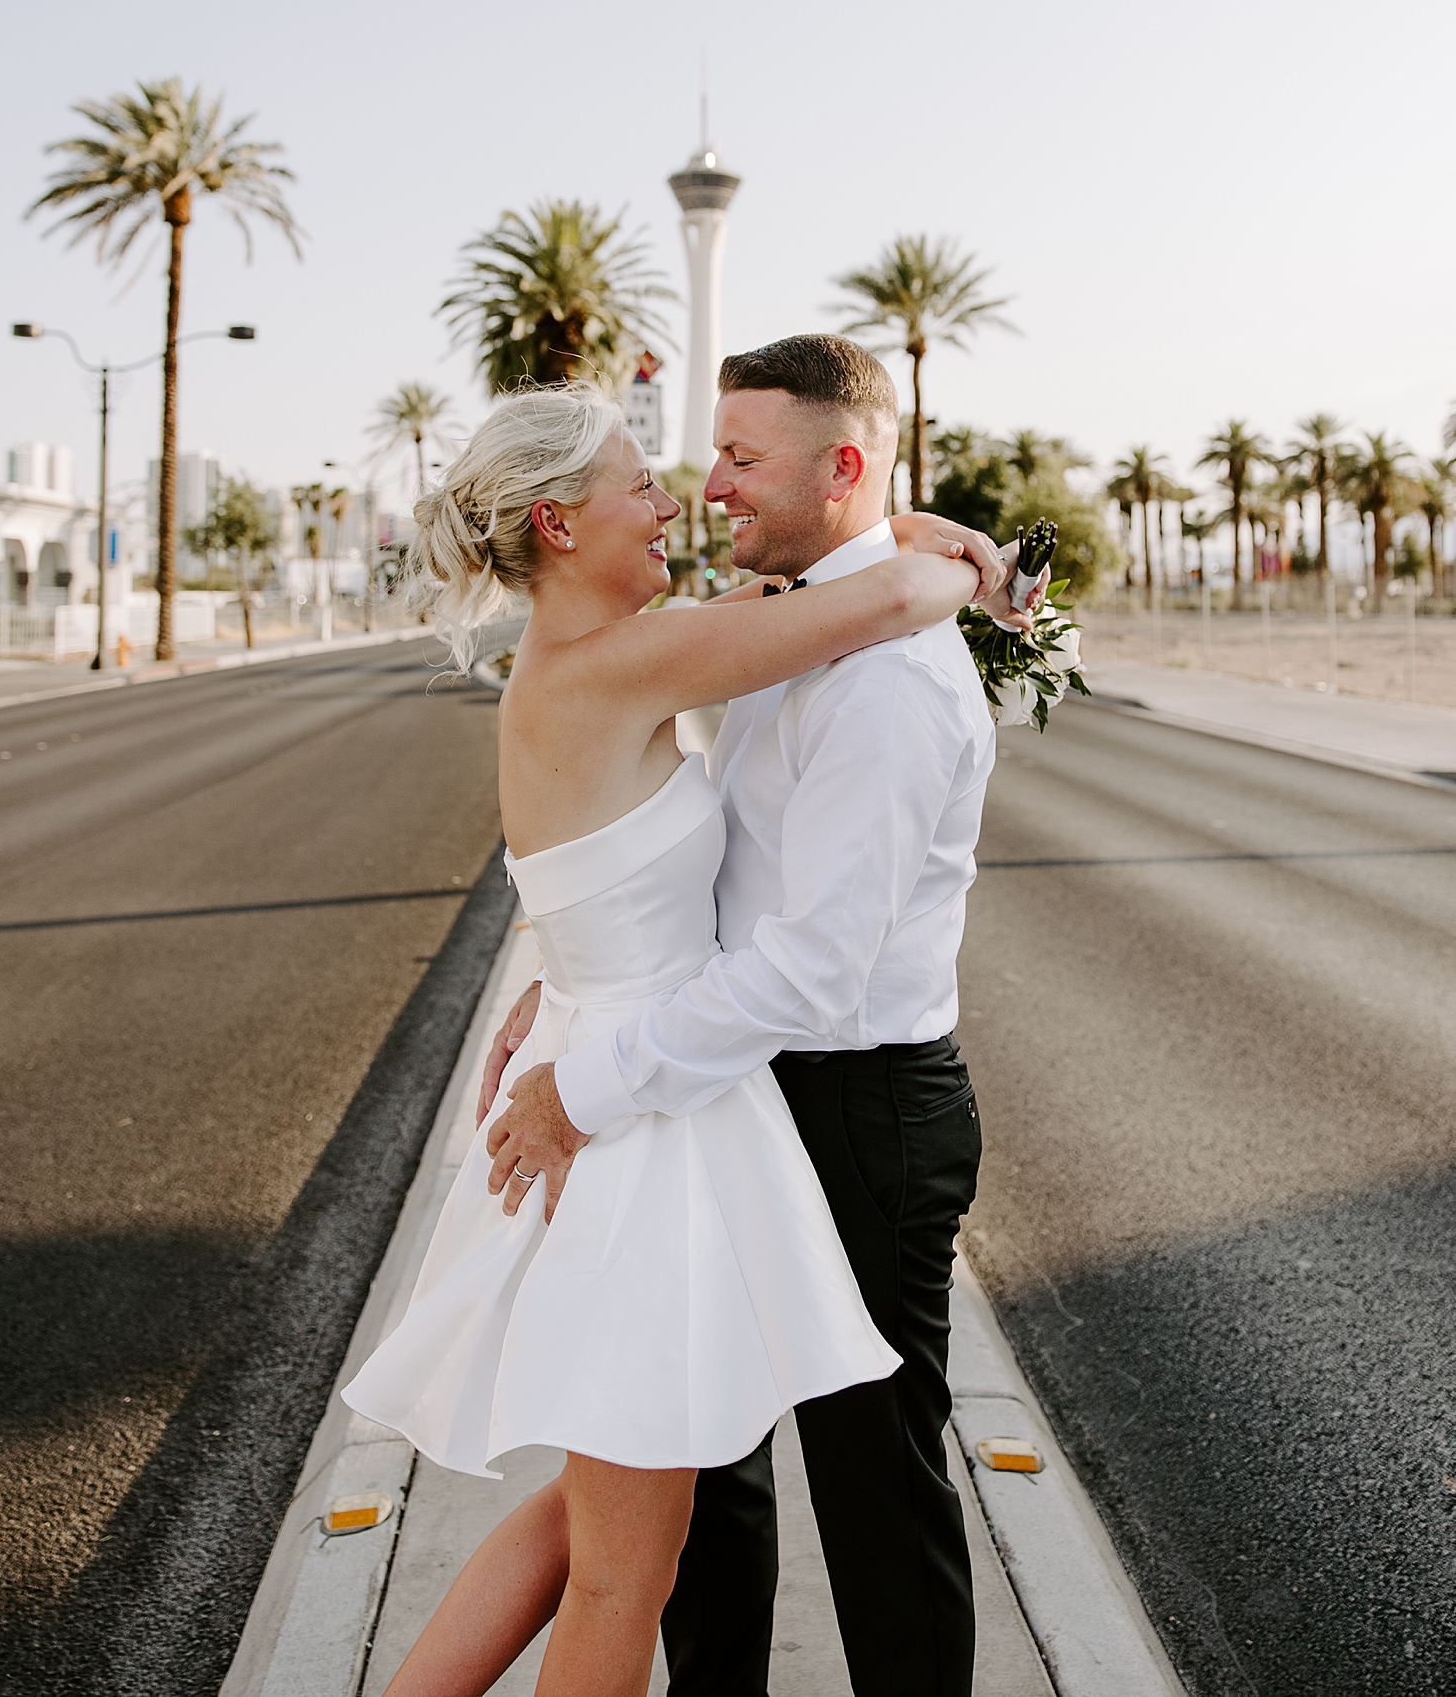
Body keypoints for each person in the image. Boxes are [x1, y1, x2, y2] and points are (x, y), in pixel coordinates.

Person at [342, 362, 1018, 1697]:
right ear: (556, 525)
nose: (686, 497)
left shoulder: (693, 649)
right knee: (632, 1555)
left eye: (726, 461)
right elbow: (880, 590)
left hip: (760, 1092)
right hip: (655, 1113)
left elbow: (686, 882)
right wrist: (968, 556)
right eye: (649, 477)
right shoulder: (659, 652)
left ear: (835, 467)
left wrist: (565, 975)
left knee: (661, 1514)